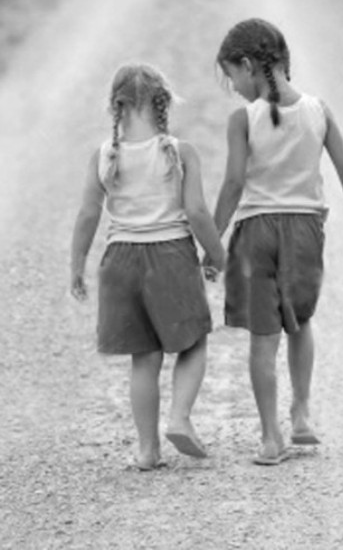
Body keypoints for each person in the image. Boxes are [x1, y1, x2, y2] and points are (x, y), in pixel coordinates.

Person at [205, 18, 343, 465]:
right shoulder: (318, 110)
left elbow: (233, 184)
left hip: (254, 234)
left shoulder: (242, 119)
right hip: (304, 231)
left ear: (248, 65)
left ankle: (270, 438)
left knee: (262, 340)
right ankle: (301, 413)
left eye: (232, 76)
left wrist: (212, 241)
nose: (234, 87)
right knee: (299, 323)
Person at [70, 63, 225, 470]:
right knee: (193, 343)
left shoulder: (103, 156)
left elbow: (88, 215)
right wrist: (217, 253)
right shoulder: (180, 152)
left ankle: (147, 450)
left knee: (144, 357)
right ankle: (180, 418)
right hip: (170, 256)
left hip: (120, 262)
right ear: (163, 103)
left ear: (115, 106)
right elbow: (197, 212)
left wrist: (77, 265)